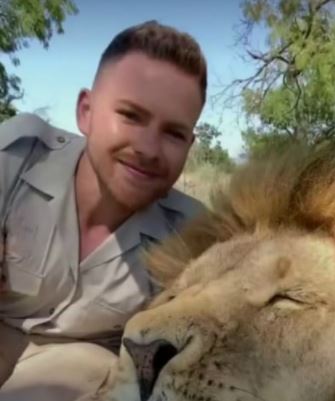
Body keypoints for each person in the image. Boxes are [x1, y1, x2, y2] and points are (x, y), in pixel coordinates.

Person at [0, 20, 208, 401]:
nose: (147, 147)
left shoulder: (194, 236)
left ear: (189, 144)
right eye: (131, 115)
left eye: (173, 133)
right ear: (86, 111)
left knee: (86, 371)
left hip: (67, 372)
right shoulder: (17, 155)